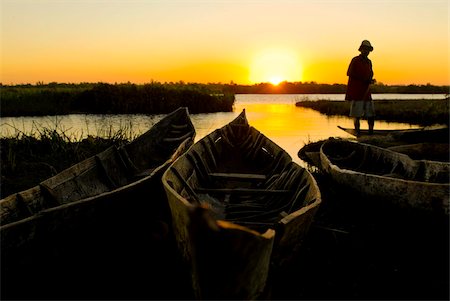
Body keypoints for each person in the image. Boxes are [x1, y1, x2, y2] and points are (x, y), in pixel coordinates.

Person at [345, 40, 376, 135]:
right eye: (365, 49)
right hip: (356, 93)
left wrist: (371, 80)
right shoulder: (355, 60)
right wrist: (364, 79)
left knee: (371, 115)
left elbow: (371, 74)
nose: (366, 51)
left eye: (368, 50)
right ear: (361, 50)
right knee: (357, 116)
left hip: (367, 94)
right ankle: (358, 133)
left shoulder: (369, 62)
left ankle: (371, 134)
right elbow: (349, 73)